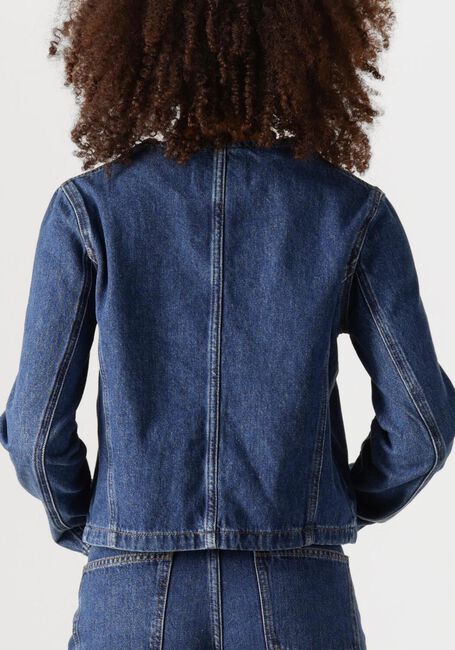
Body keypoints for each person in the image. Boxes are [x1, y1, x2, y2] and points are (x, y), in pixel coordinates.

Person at [1, 1, 454, 648]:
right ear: (307, 44)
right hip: (300, 587)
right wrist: (327, 512)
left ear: (135, 45)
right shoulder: (351, 211)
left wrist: (103, 525)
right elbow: (422, 425)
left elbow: (34, 429)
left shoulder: (88, 209)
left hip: (130, 588)